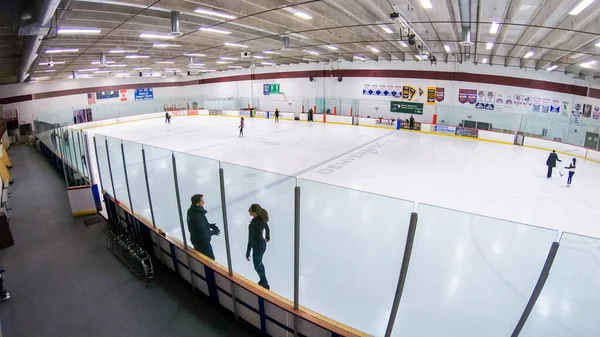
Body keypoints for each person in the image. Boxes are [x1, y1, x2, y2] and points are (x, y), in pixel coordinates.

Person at [187, 194, 220, 260]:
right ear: (197, 204)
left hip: (195, 240)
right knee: (210, 260)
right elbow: (204, 234)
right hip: (203, 243)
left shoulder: (191, 211)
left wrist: (209, 225)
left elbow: (197, 225)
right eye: (202, 201)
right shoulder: (198, 216)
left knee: (201, 258)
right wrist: (214, 232)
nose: (204, 202)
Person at [246, 204, 270, 290]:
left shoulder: (252, 225)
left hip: (257, 247)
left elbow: (251, 240)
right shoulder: (262, 219)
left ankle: (265, 283)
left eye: (250, 210)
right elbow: (267, 228)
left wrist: (247, 253)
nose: (248, 210)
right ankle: (262, 280)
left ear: (254, 212)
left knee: (257, 265)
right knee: (259, 263)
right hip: (262, 244)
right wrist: (268, 237)